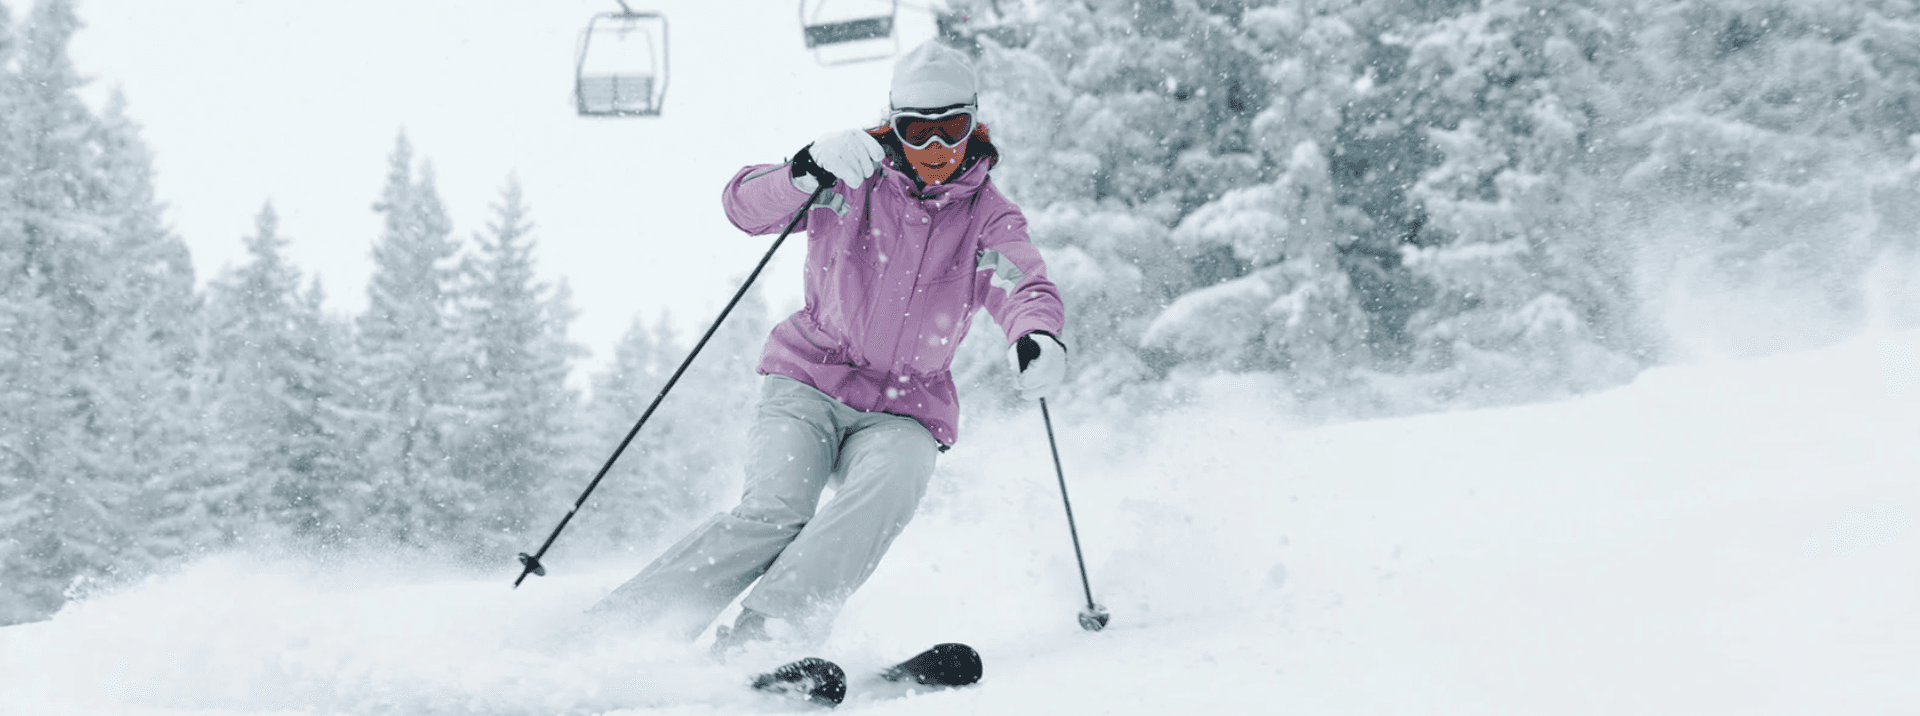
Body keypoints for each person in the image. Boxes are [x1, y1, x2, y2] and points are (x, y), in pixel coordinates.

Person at [590, 41, 1067, 657]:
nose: (937, 150)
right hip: (809, 378)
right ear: (894, 127)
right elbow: (744, 209)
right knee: (775, 512)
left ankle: (763, 641)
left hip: (907, 407)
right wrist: (803, 168)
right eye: (918, 132)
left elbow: (1022, 282)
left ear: (975, 123)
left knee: (890, 489)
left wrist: (1036, 334)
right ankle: (621, 631)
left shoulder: (989, 218)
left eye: (952, 128)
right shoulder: (851, 177)